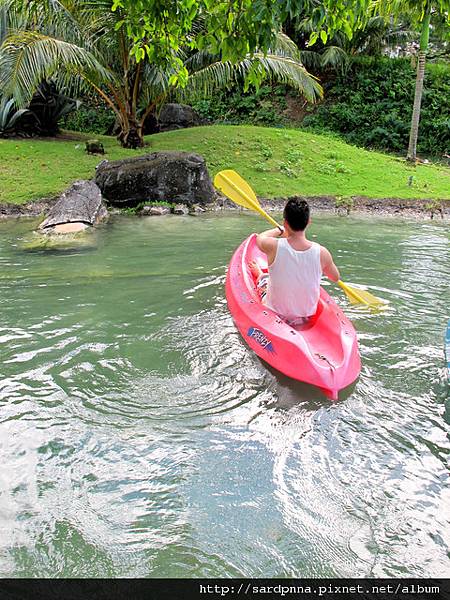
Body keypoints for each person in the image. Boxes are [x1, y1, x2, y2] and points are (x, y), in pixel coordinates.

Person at [249, 198, 340, 326]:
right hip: (305, 316)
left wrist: (279, 230)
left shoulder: (273, 246)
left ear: (285, 223)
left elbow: (260, 238)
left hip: (275, 312)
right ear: (308, 222)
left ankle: (260, 275)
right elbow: (335, 277)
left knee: (265, 280)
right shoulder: (322, 253)